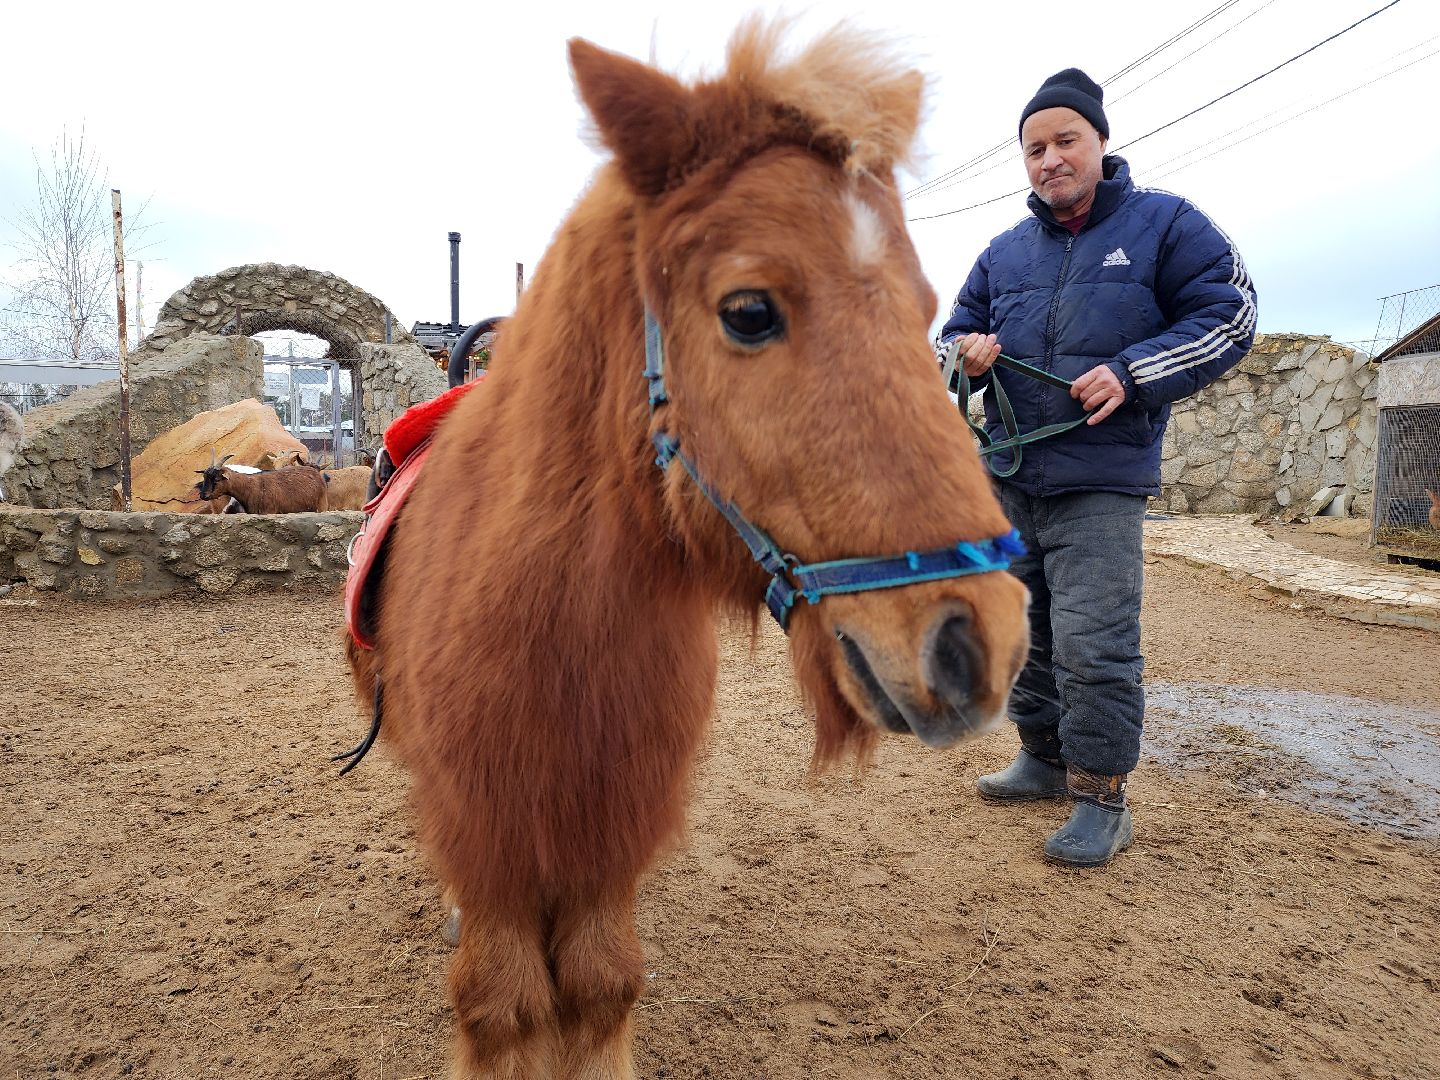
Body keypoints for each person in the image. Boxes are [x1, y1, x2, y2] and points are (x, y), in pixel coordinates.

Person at [936, 68, 1257, 867]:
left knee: (1095, 642)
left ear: (1101, 142)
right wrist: (966, 356)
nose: (1049, 159)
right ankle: (1041, 757)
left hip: (1102, 482)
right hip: (1011, 475)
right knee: (1022, 631)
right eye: (1033, 147)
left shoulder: (1167, 224)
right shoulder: (1003, 251)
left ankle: (1101, 796)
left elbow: (1233, 311)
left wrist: (1134, 370)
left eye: (1064, 141)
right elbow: (952, 330)